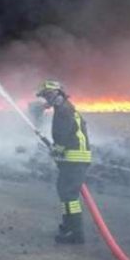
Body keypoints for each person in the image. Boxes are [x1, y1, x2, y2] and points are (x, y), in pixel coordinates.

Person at [35, 80, 92, 244]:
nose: (47, 98)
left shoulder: (64, 110)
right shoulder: (64, 108)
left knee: (69, 195)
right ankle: (68, 225)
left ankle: (76, 233)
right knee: (64, 192)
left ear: (58, 93)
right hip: (72, 158)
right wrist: (58, 151)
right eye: (45, 95)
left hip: (76, 158)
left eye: (49, 94)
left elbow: (64, 135)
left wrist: (56, 149)